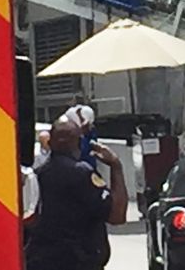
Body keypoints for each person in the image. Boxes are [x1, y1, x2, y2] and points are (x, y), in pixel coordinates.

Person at [26, 116, 128, 270]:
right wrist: (116, 165)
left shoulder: (38, 176)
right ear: (80, 143)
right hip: (79, 264)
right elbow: (117, 216)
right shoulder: (82, 174)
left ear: (50, 143)